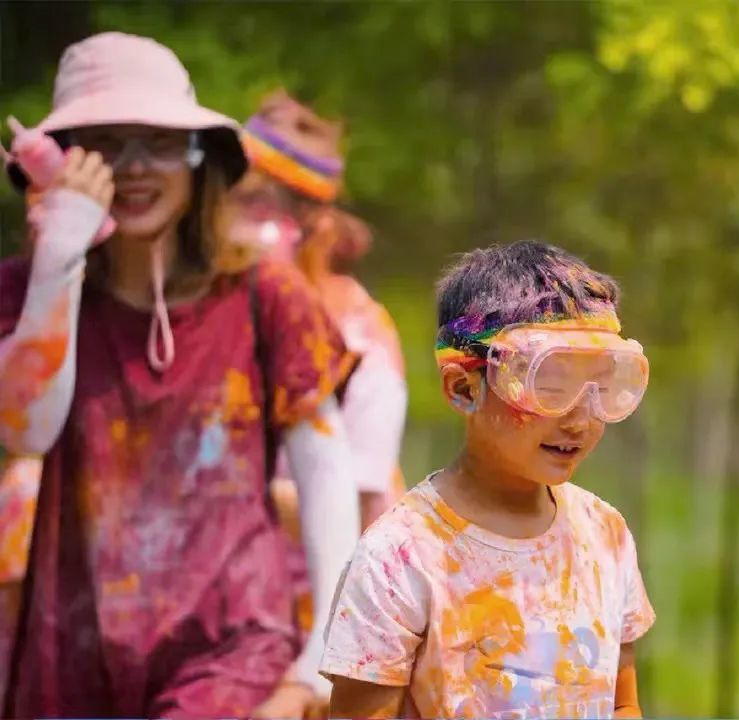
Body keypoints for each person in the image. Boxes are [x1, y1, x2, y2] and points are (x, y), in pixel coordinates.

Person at [0, 32, 360, 717]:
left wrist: (321, 657)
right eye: (104, 144)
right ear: (59, 163)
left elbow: (327, 473)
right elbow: (27, 430)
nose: (134, 168)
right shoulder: (25, 290)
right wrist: (60, 262)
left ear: (198, 159)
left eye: (157, 142)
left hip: (232, 648)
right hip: (69, 657)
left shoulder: (265, 294)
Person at [320, 240, 656, 718]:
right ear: (464, 388)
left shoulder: (605, 533)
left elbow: (623, 704)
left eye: (601, 387)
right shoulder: (401, 557)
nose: (580, 419)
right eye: (550, 384)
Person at [230, 89, 408, 534]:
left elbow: (356, 493)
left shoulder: (361, 334)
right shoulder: (214, 309)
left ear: (304, 221)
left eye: (256, 201)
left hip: (333, 586)